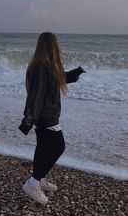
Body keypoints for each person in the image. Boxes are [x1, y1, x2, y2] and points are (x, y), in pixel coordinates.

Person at [19, 32, 85, 205]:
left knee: (43, 147)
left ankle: (40, 179)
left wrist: (76, 73)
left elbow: (55, 80)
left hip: (44, 114)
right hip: (46, 115)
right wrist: (30, 117)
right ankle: (32, 183)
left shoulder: (44, 64)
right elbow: (37, 93)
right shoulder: (41, 65)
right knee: (58, 147)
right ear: (52, 45)